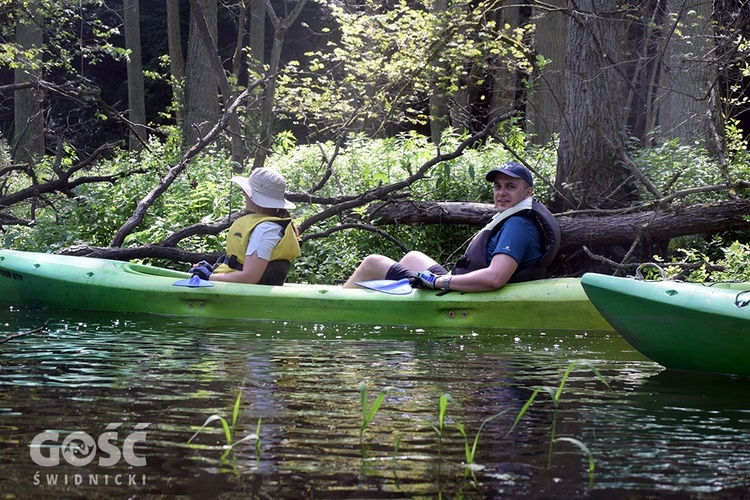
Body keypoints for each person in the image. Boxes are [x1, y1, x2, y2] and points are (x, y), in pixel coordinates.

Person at [343, 161, 560, 292]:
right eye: (498, 186)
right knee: (412, 257)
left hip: (464, 293)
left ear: (528, 192)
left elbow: (495, 278)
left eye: (510, 187)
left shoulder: (518, 226)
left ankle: (336, 305)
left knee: (373, 263)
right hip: (460, 285)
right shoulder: (518, 219)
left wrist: (440, 281)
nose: (501, 192)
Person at [191, 168, 301, 285]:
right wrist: (213, 270)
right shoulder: (265, 226)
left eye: (247, 191)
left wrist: (209, 277)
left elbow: (249, 277)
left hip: (242, 295)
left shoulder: (265, 230)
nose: (244, 194)